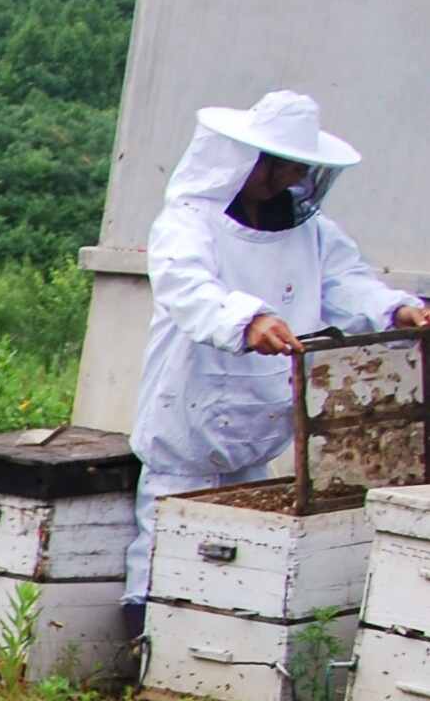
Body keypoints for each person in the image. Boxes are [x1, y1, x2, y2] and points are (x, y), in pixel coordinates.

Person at [130, 89, 430, 628]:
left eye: (299, 169)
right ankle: (144, 626)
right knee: (169, 525)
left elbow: (347, 284)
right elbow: (188, 286)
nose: (291, 181)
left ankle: (221, 630)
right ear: (247, 162)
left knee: (243, 542)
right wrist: (249, 320)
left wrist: (396, 310)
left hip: (261, 413)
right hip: (189, 406)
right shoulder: (188, 222)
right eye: (282, 168)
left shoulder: (310, 231)